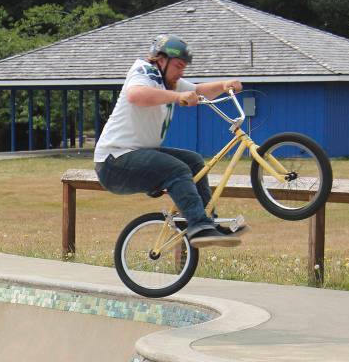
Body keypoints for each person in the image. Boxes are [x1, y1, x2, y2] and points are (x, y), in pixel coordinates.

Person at [95, 34, 244, 248]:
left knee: (193, 162)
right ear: (161, 60)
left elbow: (198, 91)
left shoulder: (168, 81)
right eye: (178, 66)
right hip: (114, 162)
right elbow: (135, 95)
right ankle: (198, 225)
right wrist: (177, 98)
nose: (181, 73)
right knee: (177, 169)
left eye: (184, 68)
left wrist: (224, 84)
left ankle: (205, 221)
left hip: (135, 155)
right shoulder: (144, 71)